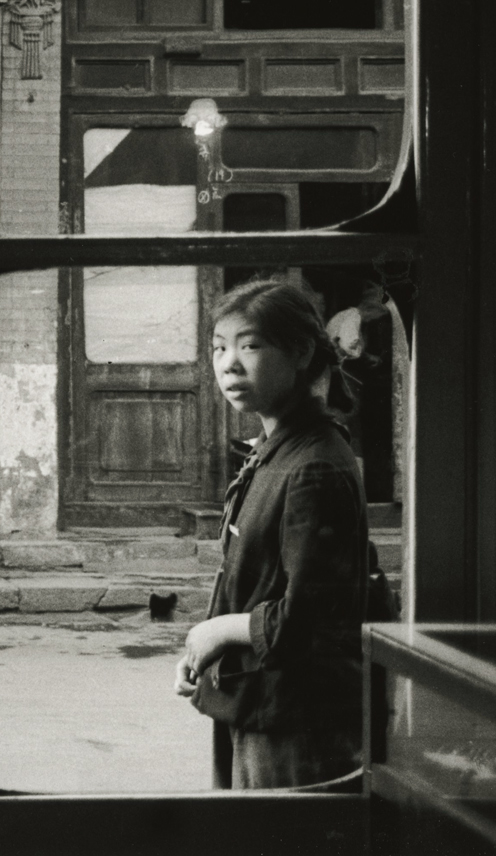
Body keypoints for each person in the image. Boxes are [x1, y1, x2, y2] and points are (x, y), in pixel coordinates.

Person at [174, 278, 370, 790]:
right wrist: (206, 654)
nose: (228, 364)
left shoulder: (312, 466)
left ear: (301, 352)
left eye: (250, 345)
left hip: (295, 719)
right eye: (219, 348)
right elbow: (255, 580)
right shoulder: (275, 450)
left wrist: (218, 632)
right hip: (257, 699)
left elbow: (310, 615)